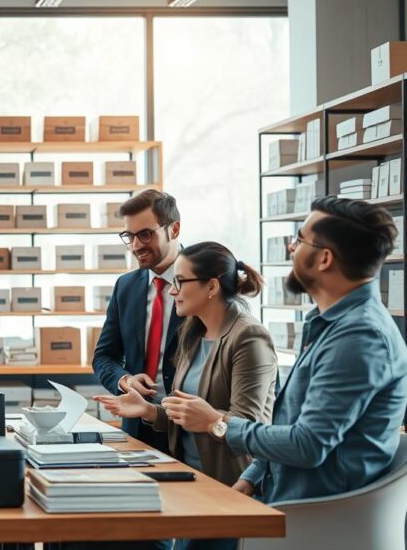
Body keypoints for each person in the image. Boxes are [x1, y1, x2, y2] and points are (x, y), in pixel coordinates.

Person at [94, 242, 278, 550]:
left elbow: (250, 426)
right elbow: (191, 412)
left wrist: (211, 420)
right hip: (191, 485)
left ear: (211, 287)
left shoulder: (249, 336)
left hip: (228, 488)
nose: (171, 291)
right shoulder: (193, 332)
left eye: (180, 282)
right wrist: (149, 411)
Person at [225, 196, 407, 504]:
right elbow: (295, 424)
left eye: (299, 240)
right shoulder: (328, 323)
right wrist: (254, 475)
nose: (290, 248)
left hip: (318, 518)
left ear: (324, 259)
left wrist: (218, 425)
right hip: (285, 502)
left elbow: (308, 444)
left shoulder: (360, 336)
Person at [92, 189, 184, 452]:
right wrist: (126, 381)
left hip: (189, 431)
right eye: (129, 236)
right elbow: (104, 357)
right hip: (137, 429)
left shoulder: (203, 279)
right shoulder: (126, 286)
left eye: (145, 234)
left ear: (174, 229)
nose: (135, 246)